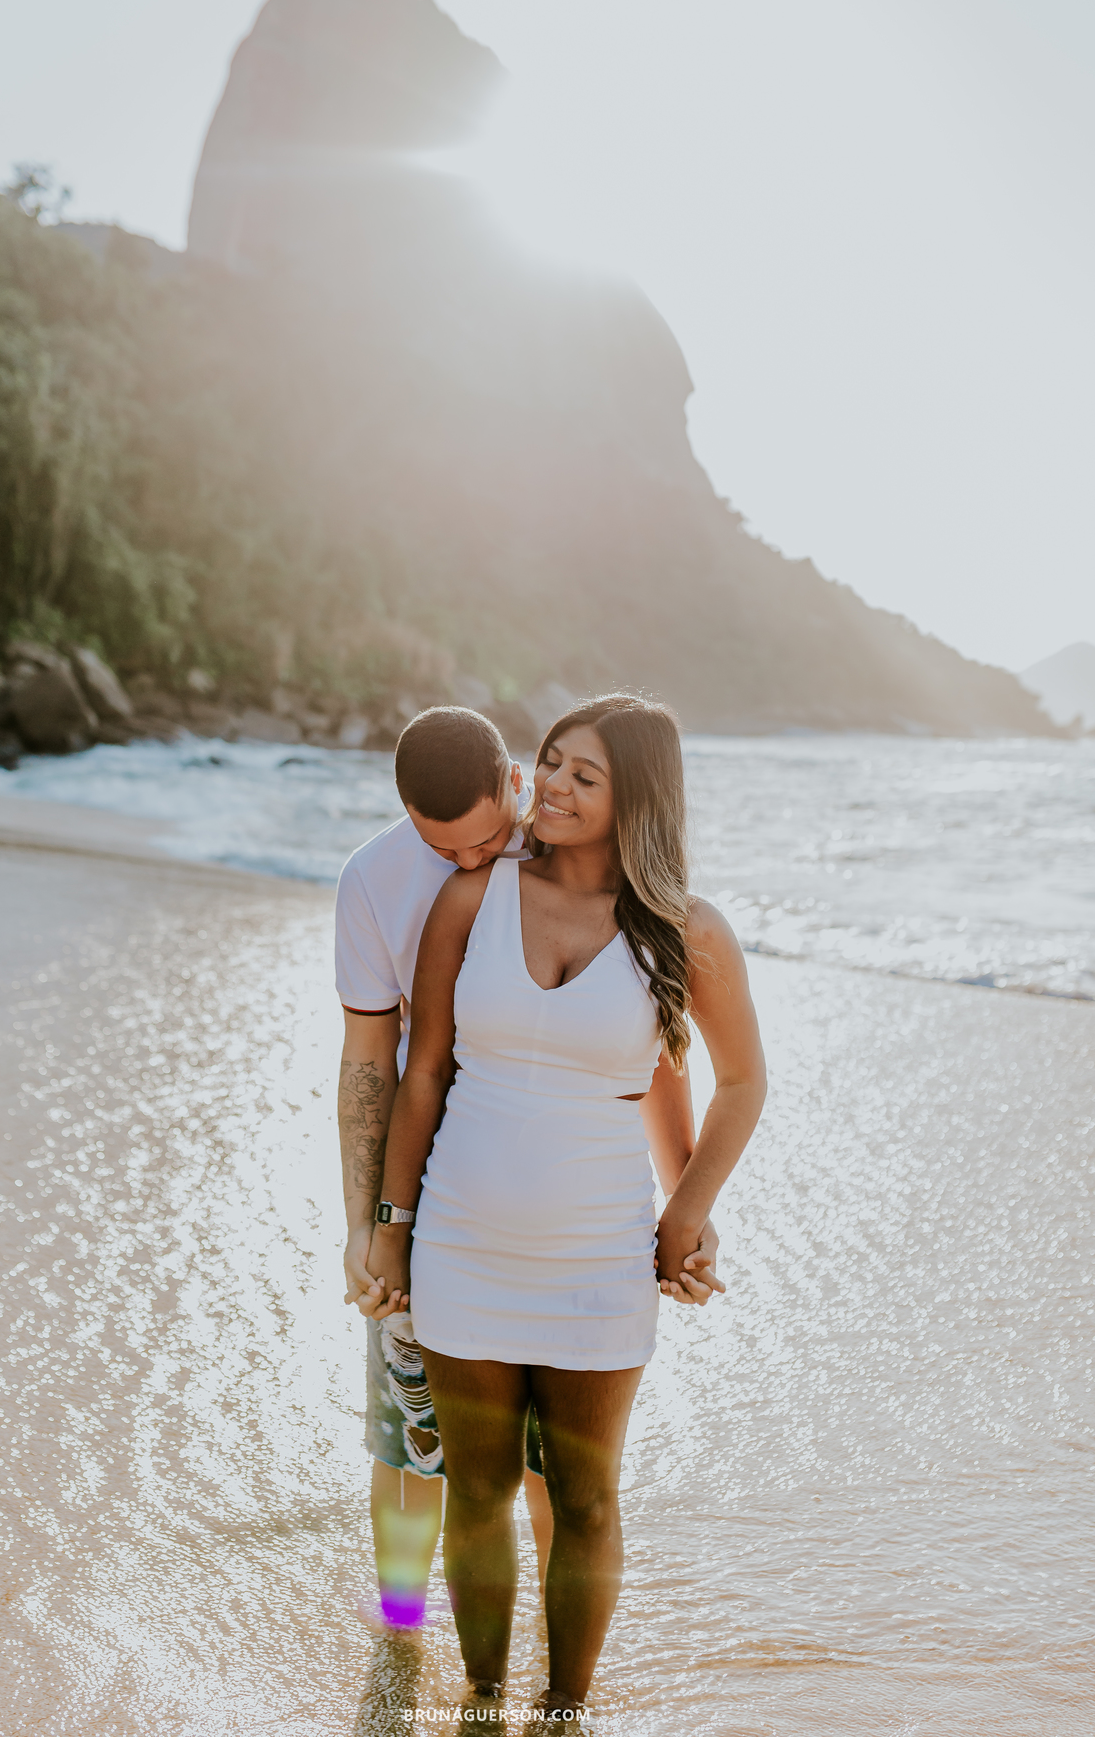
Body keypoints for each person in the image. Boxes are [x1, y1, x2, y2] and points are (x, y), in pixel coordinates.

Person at [366, 695, 767, 1718]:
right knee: (480, 1493)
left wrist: (690, 1207)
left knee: (586, 1498)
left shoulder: (685, 930)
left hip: (599, 1257)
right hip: (462, 1241)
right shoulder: (474, 898)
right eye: (550, 761)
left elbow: (740, 1082)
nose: (550, 784)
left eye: (583, 775)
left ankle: (564, 1708)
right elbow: (421, 1078)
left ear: (635, 798)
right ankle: (485, 1695)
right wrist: (389, 1223)